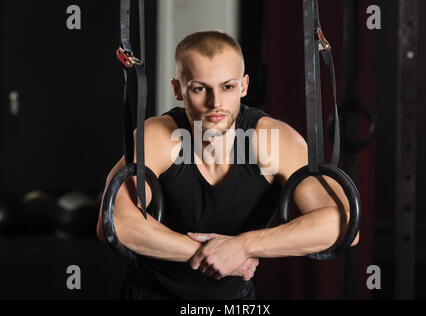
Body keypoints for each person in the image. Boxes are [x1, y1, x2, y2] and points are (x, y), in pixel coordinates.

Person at [96, 30, 359, 300]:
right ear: (178, 89)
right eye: (200, 89)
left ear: (244, 86)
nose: (215, 102)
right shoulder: (158, 136)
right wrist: (213, 254)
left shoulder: (273, 141)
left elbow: (344, 225)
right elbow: (114, 223)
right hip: (150, 293)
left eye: (227, 87)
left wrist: (244, 246)